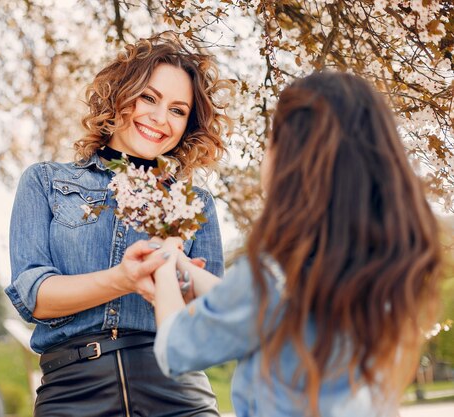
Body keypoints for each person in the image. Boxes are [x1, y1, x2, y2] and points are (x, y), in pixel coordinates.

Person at [151, 71, 443, 417]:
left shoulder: (276, 269)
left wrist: (166, 266)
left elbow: (175, 347)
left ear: (291, 158)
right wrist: (186, 269)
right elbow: (253, 304)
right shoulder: (382, 264)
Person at [5, 33, 232, 416]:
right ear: (119, 96)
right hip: (73, 392)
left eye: (178, 110)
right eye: (149, 97)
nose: (160, 119)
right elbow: (35, 297)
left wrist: (184, 285)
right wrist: (124, 279)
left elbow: (211, 325)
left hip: (177, 393)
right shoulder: (46, 182)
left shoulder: (196, 205)